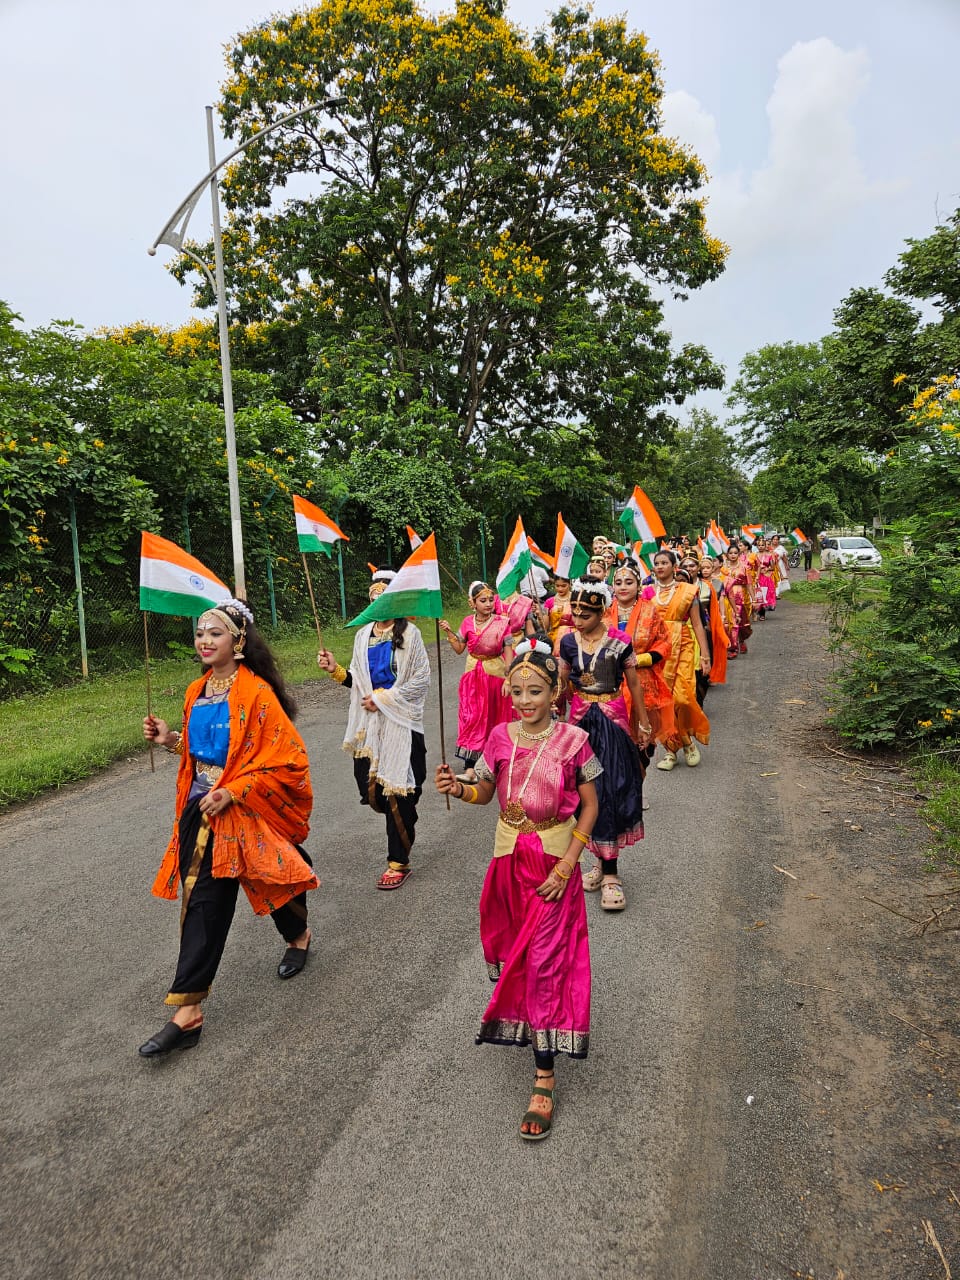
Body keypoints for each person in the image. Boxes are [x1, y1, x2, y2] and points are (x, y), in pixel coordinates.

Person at [435, 639, 600, 1140]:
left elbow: (591, 806)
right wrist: (457, 788)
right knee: (523, 960)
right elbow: (485, 792)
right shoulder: (499, 737)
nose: (526, 700)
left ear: (556, 693)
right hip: (508, 863)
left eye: (537, 691)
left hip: (553, 868)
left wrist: (569, 865)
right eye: (519, 690)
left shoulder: (574, 740)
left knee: (548, 960)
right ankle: (536, 1028)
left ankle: (544, 1075)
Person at [140, 600, 317, 1058]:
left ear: (238, 642)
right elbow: (202, 753)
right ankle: (188, 1012)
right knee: (203, 904)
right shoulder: (196, 691)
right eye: (200, 632)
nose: (204, 640)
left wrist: (235, 790)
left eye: (214, 633)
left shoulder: (257, 694)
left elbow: (288, 759)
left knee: (276, 882)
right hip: (202, 812)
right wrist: (170, 739)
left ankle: (298, 935)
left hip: (246, 811)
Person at [317, 569, 430, 890]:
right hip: (370, 728)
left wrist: (384, 698)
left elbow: (420, 680)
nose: (376, 598)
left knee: (400, 792)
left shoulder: (411, 635)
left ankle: (398, 861)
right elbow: (357, 681)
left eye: (383, 593)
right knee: (373, 791)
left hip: (402, 725)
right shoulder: (363, 634)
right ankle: (404, 819)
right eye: (372, 593)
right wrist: (335, 669)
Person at [558, 581, 647, 911]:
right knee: (580, 794)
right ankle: (597, 861)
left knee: (609, 790)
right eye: (575, 612)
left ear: (602, 611)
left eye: (586, 614)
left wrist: (643, 724)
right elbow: (562, 684)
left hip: (612, 722)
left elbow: (634, 684)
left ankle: (611, 874)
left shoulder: (621, 642)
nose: (578, 619)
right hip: (579, 725)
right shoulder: (567, 642)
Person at [642, 550, 712, 771]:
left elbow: (698, 624)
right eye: (657, 563)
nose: (660, 566)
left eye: (664, 562)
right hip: (657, 650)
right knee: (662, 702)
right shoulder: (647, 592)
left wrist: (705, 655)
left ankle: (688, 741)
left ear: (674, 566)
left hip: (682, 647)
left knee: (682, 698)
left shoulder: (688, 591)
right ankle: (673, 749)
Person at [439, 580, 514, 782]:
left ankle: (496, 763)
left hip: (495, 676)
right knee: (472, 718)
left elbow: (508, 651)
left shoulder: (501, 622)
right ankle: (470, 768)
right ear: (473, 603)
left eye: (491, 599)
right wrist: (448, 632)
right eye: (483, 600)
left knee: (495, 718)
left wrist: (509, 678)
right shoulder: (466, 623)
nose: (488, 604)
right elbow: (459, 649)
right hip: (472, 676)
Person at [605, 561, 675, 749]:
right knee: (616, 743)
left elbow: (665, 642)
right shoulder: (604, 612)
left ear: (638, 585)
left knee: (642, 746)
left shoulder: (650, 610)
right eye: (618, 582)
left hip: (641, 681)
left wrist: (642, 659)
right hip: (612, 683)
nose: (623, 587)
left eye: (628, 582)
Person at [695, 557, 729, 704]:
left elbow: (717, 603)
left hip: (706, 623)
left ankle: (706, 676)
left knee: (708, 650)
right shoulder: (681, 586)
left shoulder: (712, 585)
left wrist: (722, 616)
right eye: (703, 567)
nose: (705, 570)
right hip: (684, 628)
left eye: (708, 567)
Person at [719, 542, 753, 657]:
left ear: (739, 554)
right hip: (726, 597)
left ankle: (741, 640)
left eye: (735, 553)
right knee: (731, 622)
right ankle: (732, 648)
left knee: (742, 623)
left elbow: (749, 584)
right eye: (730, 553)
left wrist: (755, 599)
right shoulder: (723, 569)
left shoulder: (744, 568)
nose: (733, 555)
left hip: (742, 597)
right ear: (727, 555)